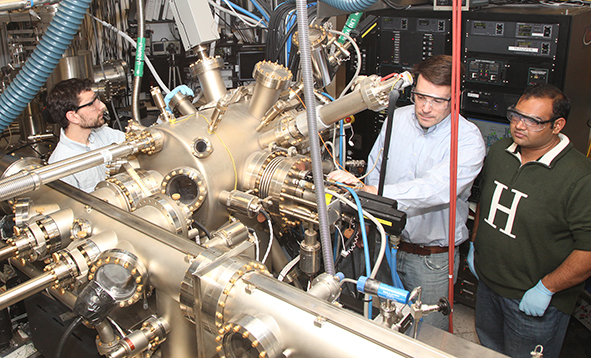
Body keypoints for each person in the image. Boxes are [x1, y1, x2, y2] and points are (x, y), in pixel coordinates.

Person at [329, 54, 486, 330]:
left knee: (426, 334)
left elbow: (436, 189)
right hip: (385, 246)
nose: (425, 107)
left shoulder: (468, 139)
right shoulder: (397, 118)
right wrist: (364, 213)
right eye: (420, 96)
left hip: (431, 260)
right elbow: (376, 170)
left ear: (455, 98)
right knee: (385, 324)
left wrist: (373, 192)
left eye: (438, 100)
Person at [468, 84, 591, 358]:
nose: (519, 125)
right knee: (489, 350)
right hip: (488, 285)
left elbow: (588, 250)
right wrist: (476, 245)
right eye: (516, 115)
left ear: (557, 125)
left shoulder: (581, 177)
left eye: (533, 120)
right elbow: (487, 203)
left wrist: (547, 288)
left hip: (531, 301)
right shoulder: (501, 151)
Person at [47, 78, 126, 192]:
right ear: (73, 116)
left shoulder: (103, 133)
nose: (102, 106)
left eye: (97, 99)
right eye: (91, 104)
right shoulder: (59, 166)